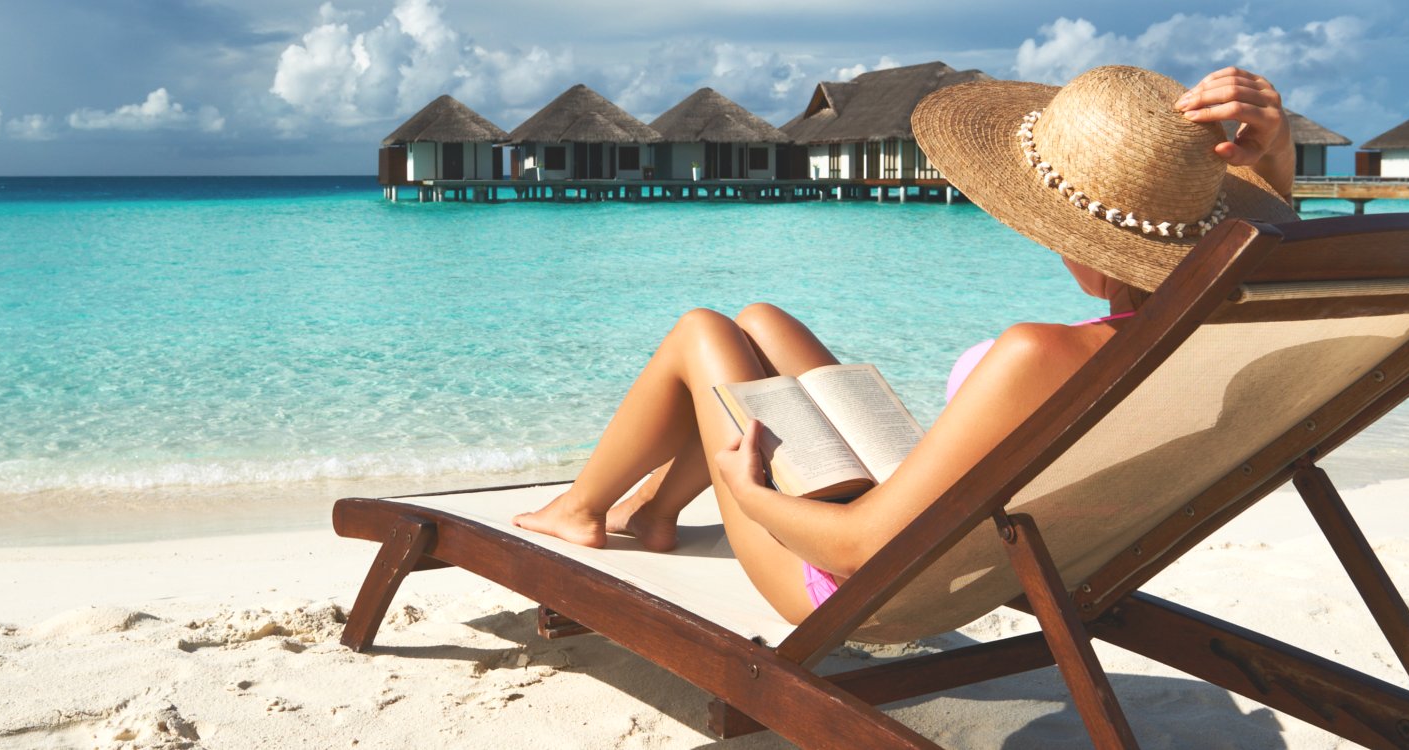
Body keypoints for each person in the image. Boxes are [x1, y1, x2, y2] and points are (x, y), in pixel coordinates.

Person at [513, 65, 1302, 624]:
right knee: (761, 321)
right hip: (956, 540)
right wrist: (1276, 169)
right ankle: (653, 512)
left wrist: (748, 493)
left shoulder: (1040, 354)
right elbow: (1274, 268)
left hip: (865, 591)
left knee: (703, 332)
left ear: (1083, 238)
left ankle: (582, 509)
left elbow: (859, 549)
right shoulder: (1215, 339)